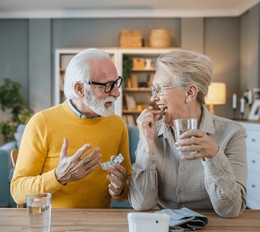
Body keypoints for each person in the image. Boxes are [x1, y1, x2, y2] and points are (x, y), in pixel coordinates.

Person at [129, 49, 247, 218]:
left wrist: (214, 157)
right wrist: (146, 145)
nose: (153, 98)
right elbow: (141, 204)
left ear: (190, 92)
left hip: (213, 231)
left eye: (159, 89)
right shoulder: (151, 132)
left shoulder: (233, 133)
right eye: (152, 89)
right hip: (162, 229)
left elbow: (230, 210)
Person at [11, 48, 132, 208]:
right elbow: (17, 192)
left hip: (101, 222)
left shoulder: (118, 124)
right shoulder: (41, 123)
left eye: (116, 83)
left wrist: (121, 188)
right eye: (107, 85)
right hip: (53, 224)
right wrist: (58, 176)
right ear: (79, 89)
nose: (116, 93)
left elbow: (126, 188)